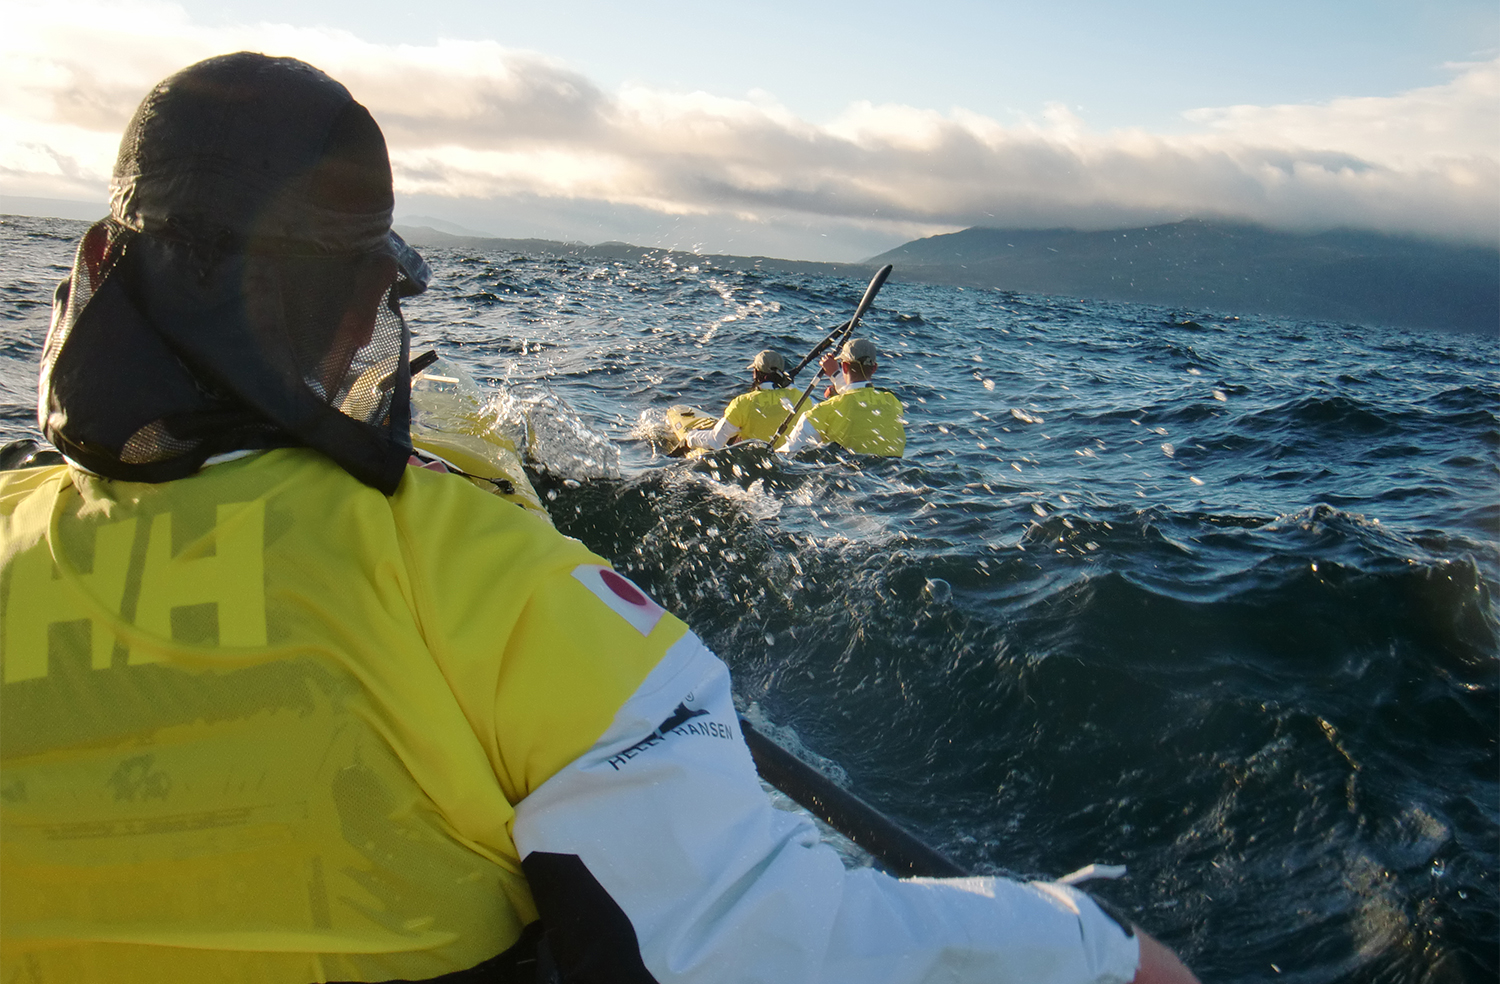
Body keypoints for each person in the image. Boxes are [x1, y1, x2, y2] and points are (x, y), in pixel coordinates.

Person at [0, 53, 1198, 984]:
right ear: (365, 308)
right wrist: (1086, 945)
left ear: (103, 262)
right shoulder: (477, 570)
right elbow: (760, 943)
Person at [776, 337, 907, 457]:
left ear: (844, 366)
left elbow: (787, 454)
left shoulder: (825, 411)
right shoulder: (893, 402)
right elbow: (860, 399)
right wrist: (837, 377)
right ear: (874, 368)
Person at [681, 348, 810, 450]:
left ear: (756, 374)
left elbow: (715, 442)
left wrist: (690, 438)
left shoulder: (742, 403)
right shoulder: (801, 398)